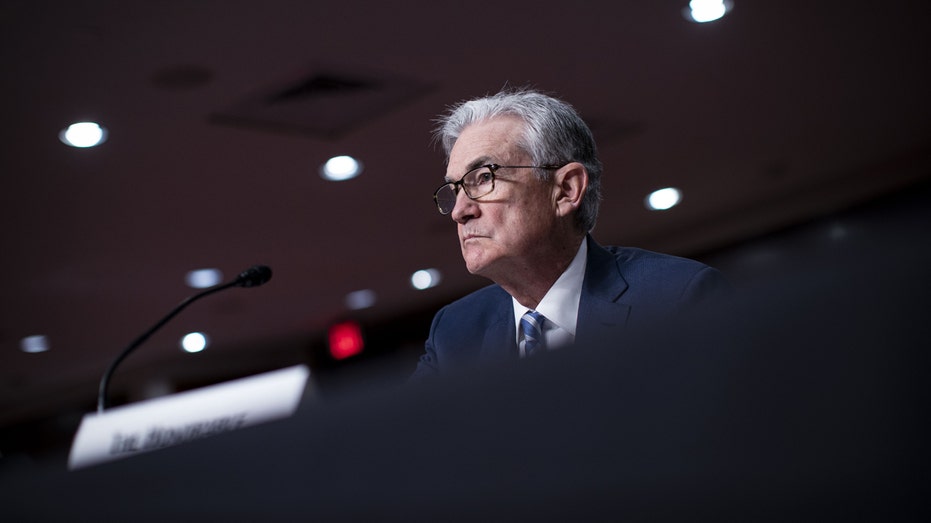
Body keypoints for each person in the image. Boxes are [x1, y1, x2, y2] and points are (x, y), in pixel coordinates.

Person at [412, 88, 729, 379]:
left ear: (566, 189)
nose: (459, 210)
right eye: (455, 189)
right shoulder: (454, 333)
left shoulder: (676, 298)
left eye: (483, 178)